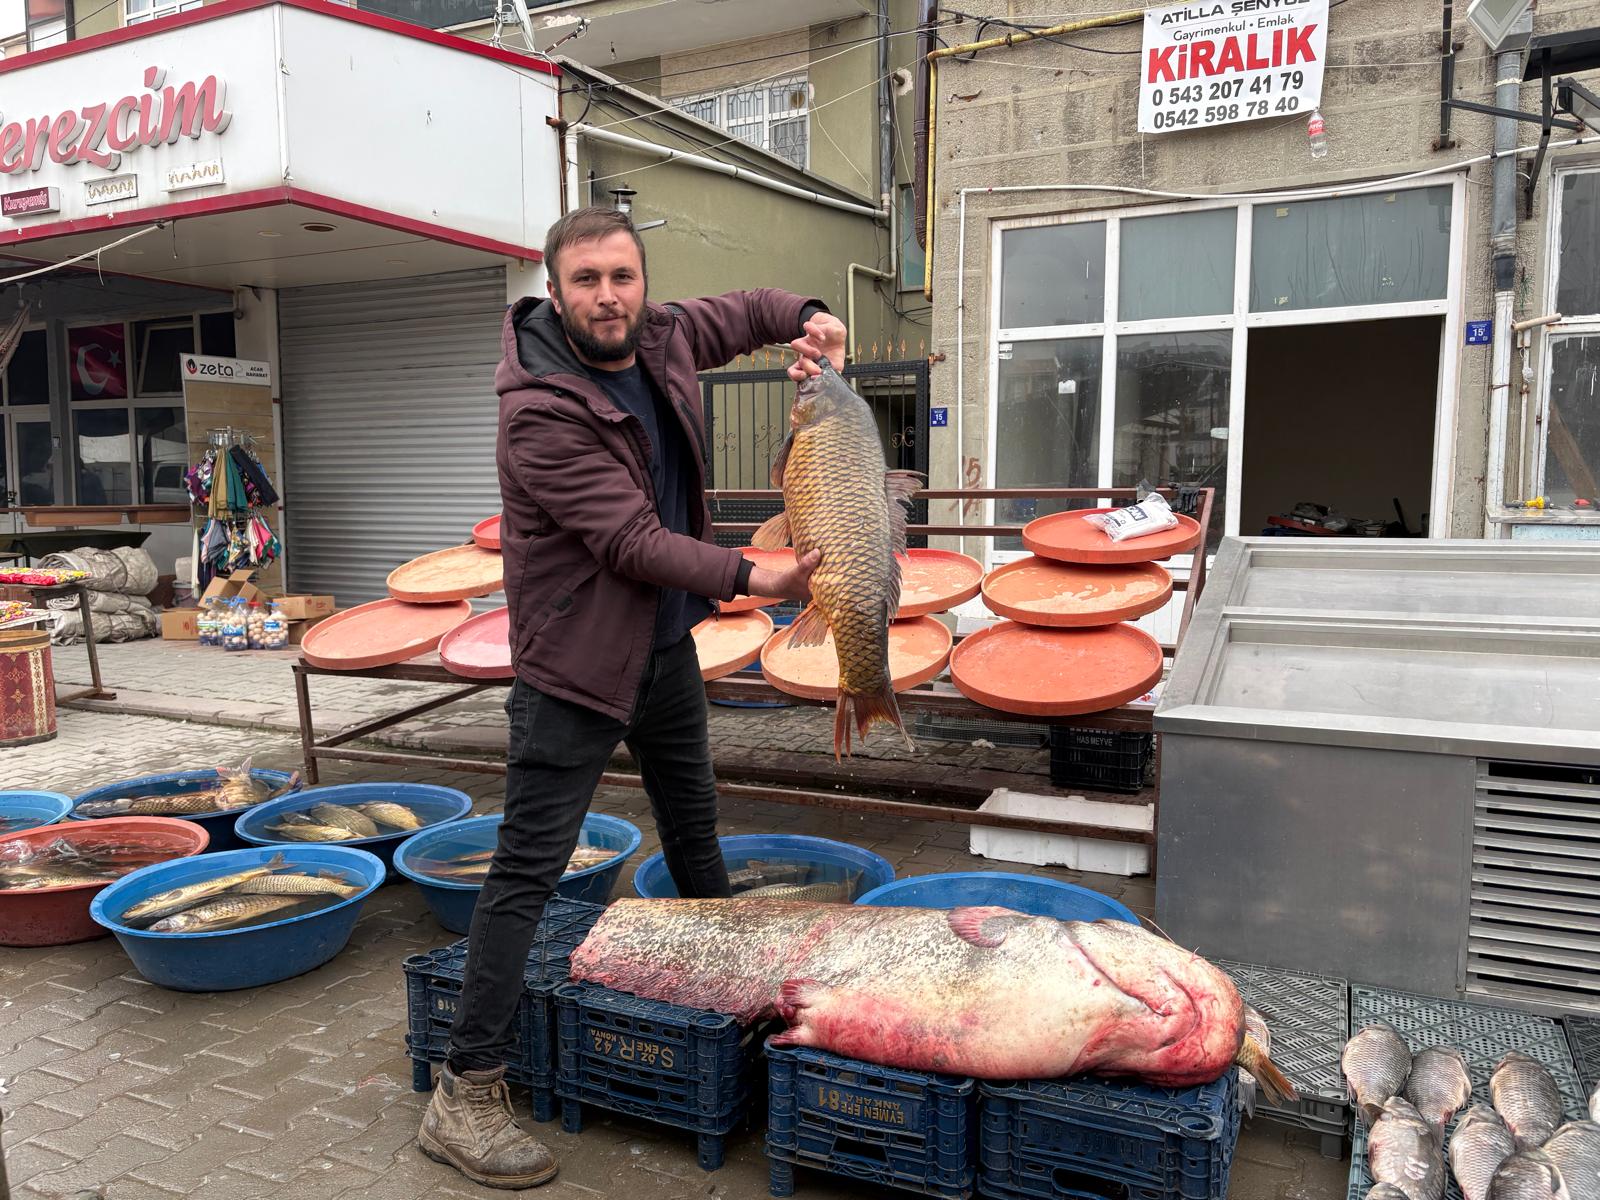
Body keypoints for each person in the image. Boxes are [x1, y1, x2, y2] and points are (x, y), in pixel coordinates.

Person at [418, 205, 846, 1189]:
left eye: (621, 276)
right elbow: (631, 544)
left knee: (696, 837)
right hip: (572, 669)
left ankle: (726, 1015)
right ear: (555, 290)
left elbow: (742, 310)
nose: (607, 297)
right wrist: (758, 575)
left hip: (661, 652)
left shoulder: (661, 334)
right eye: (585, 281)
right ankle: (464, 1092)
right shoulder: (538, 407)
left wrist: (808, 315)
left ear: (639, 280)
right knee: (526, 875)